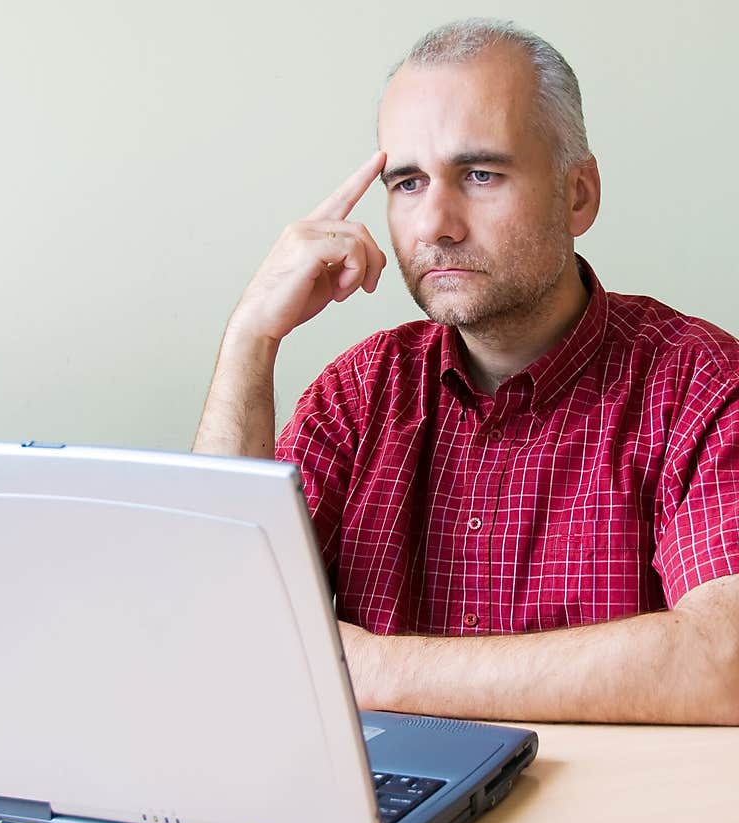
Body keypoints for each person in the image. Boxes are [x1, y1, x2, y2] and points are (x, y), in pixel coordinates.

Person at [192, 17, 739, 725]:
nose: (437, 225)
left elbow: (725, 658)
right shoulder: (358, 394)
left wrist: (372, 668)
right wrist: (251, 336)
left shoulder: (699, 385)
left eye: (480, 174)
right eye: (408, 183)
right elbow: (217, 626)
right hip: (400, 819)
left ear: (578, 194)